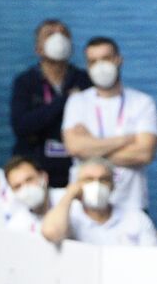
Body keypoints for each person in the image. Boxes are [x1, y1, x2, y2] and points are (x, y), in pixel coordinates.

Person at [62, 37, 157, 210]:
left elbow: (144, 154)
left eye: (105, 58)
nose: (100, 66)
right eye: (93, 61)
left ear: (118, 60)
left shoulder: (142, 102)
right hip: (84, 205)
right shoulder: (77, 102)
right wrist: (125, 140)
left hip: (131, 203)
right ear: (88, 67)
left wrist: (90, 147)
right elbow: (74, 148)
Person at [10, 19, 90, 188]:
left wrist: (42, 120)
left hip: (76, 170)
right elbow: (22, 126)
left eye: (63, 34)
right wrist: (65, 100)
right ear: (38, 49)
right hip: (36, 169)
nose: (58, 38)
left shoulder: (85, 80)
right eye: (50, 34)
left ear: (71, 46)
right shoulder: (25, 82)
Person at [41, 157, 157, 246]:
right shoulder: (69, 217)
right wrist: (69, 195)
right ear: (77, 184)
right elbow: (52, 233)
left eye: (104, 179)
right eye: (88, 179)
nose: (97, 184)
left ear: (112, 185)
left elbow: (150, 259)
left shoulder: (136, 218)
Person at [4, 155, 59, 232]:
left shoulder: (72, 201)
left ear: (44, 177)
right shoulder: (15, 227)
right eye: (17, 186)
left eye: (29, 180)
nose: (25, 189)